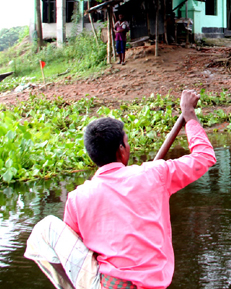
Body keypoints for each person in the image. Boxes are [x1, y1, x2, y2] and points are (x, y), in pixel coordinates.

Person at [24, 90, 216, 289]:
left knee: (48, 228)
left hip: (105, 284)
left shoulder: (77, 198)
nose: (128, 146)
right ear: (121, 150)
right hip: (153, 284)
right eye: (127, 141)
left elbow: (79, 249)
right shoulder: (154, 174)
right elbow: (204, 157)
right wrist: (189, 114)